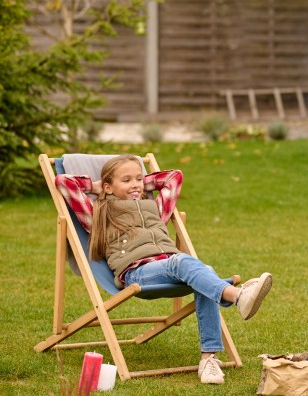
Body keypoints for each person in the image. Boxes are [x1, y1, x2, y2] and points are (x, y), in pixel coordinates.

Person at [55, 154, 273, 385]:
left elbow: (174, 177)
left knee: (203, 273)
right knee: (188, 265)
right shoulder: (99, 213)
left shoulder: (156, 209)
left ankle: (208, 359)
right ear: (108, 186)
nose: (136, 184)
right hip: (137, 272)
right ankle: (238, 297)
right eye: (126, 180)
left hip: (173, 266)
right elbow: (63, 183)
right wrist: (98, 186)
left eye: (139, 178)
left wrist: (138, 184)